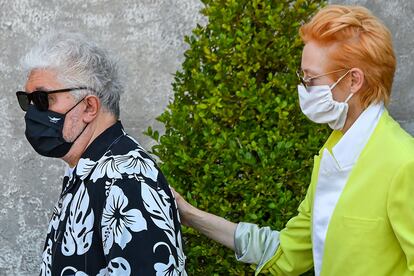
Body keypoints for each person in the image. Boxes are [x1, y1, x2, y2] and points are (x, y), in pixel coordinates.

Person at [173, 4, 414, 276]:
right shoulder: (332, 152)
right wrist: (189, 214)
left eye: (310, 79)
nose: (303, 88)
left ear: (353, 81)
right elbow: (287, 253)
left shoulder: (404, 162)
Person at [16, 32, 186, 275]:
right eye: (28, 101)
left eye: (43, 100)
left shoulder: (125, 180)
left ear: (89, 107)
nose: (33, 113)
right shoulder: (89, 171)